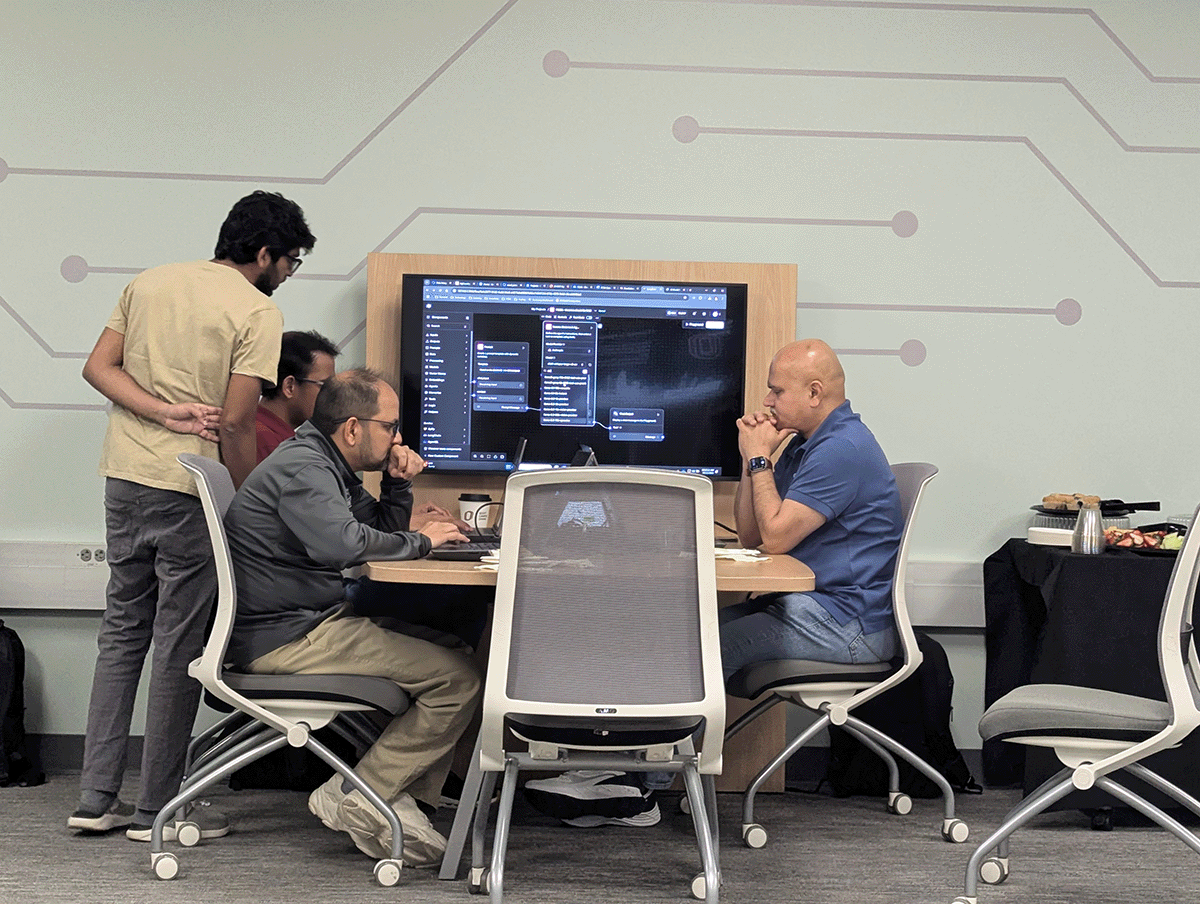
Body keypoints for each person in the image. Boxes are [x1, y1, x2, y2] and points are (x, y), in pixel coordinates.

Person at [69, 191, 316, 840]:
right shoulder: (257, 310)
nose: (289, 272)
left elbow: (98, 368)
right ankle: (156, 810)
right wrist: (251, 503)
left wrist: (156, 411)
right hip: (190, 490)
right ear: (264, 253)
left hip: (124, 477)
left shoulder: (149, 283)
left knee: (122, 631)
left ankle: (94, 799)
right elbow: (236, 422)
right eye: (290, 261)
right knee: (179, 644)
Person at [223, 368, 481, 866]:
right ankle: (363, 795)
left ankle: (396, 797)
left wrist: (398, 483)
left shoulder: (323, 463)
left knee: (455, 650)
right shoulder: (306, 469)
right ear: (354, 429)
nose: (398, 438)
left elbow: (376, 530)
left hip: (306, 622)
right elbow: (341, 543)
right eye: (391, 427)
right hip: (289, 637)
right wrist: (425, 541)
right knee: (460, 681)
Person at [720, 338, 903, 679]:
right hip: (816, 607)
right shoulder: (805, 443)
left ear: (814, 393)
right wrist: (753, 459)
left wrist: (760, 459)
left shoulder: (841, 448)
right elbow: (750, 535)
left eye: (777, 392)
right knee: (688, 635)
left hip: (848, 624)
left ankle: (668, 733)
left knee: (698, 652)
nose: (767, 402)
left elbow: (773, 541)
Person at [255, 329, 340, 462]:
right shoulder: (269, 444)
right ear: (289, 387)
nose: (333, 396)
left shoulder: (273, 436)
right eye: (324, 386)